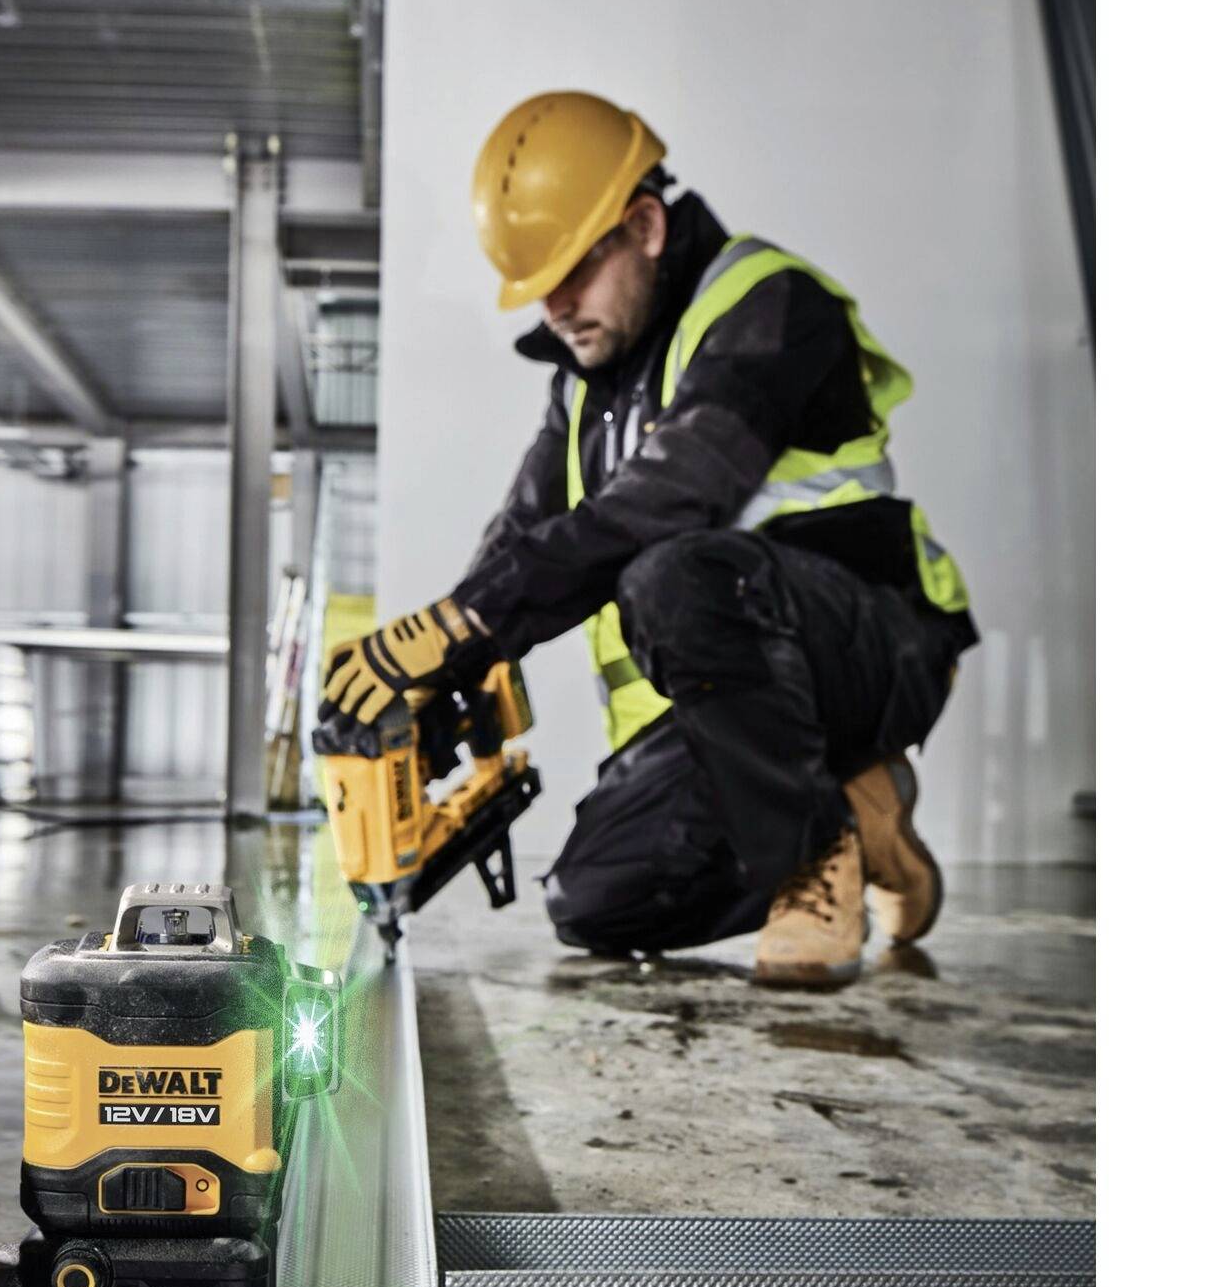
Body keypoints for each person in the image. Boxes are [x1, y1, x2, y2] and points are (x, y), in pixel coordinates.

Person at [319, 91, 978, 987]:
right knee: (597, 902)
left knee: (670, 573)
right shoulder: (587, 383)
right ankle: (863, 807)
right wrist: (444, 664)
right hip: (749, 709)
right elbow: (523, 537)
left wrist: (469, 622)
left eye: (573, 271)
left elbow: (675, 499)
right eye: (537, 285)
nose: (553, 306)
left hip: (877, 651)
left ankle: (814, 859)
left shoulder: (769, 306)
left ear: (646, 226)